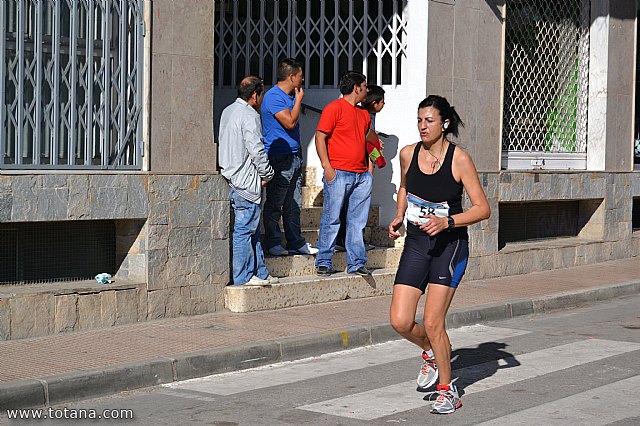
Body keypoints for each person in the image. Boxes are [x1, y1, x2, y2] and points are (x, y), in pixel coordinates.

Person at [388, 95, 490, 414]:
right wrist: (398, 214)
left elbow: (482, 208)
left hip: (450, 246)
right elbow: (405, 187)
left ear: (444, 123)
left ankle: (448, 389)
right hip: (417, 243)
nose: (422, 126)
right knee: (400, 320)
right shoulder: (407, 153)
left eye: (429, 121)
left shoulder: (459, 159)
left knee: (433, 321)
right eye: (419, 120)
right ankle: (431, 352)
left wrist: (447, 221)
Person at [315, 71, 377, 276]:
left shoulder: (364, 114)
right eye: (365, 86)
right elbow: (320, 137)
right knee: (331, 218)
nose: (367, 90)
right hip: (338, 173)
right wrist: (327, 168)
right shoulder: (334, 108)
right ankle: (324, 260)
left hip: (361, 176)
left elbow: (370, 141)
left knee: (357, 221)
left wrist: (370, 169)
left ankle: (356, 262)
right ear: (356, 87)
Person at [218, 76, 279, 287]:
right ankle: (243, 276)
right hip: (246, 181)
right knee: (244, 230)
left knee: (252, 229)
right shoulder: (250, 115)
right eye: (261, 93)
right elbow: (257, 150)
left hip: (233, 176)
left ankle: (260, 272)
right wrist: (267, 174)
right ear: (255, 95)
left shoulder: (228, 111)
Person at [261, 58, 318, 257]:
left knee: (293, 204)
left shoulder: (290, 96)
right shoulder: (274, 97)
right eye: (300, 76)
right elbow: (290, 123)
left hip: (294, 156)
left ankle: (295, 241)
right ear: (292, 76)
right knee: (276, 203)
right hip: (279, 157)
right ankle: (273, 241)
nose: (302, 80)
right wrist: (299, 101)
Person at [335, 84, 386, 252]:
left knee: (351, 208)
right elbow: (366, 144)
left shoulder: (366, 115)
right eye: (382, 102)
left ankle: (348, 241)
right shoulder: (365, 116)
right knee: (355, 209)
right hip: (359, 168)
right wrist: (370, 170)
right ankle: (350, 242)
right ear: (374, 103)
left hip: (358, 168)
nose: (384, 105)